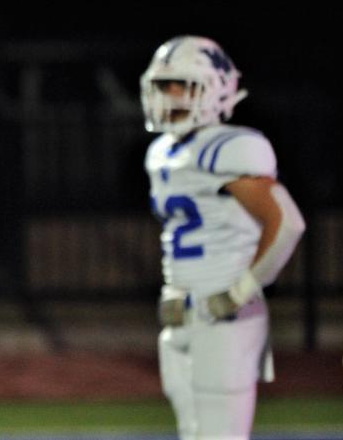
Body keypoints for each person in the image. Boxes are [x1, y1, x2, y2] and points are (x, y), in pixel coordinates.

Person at [139, 36, 305, 440]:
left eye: (181, 84)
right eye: (163, 86)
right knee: (192, 432)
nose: (170, 95)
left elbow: (287, 224)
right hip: (179, 311)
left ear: (214, 88)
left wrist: (241, 290)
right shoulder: (160, 152)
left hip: (225, 311)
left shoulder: (229, 146)